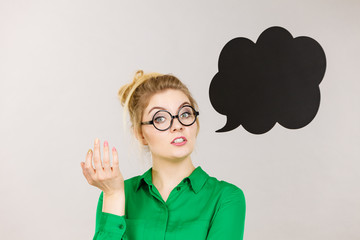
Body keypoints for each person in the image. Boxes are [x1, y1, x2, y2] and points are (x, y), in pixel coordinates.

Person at [80, 70, 246, 240]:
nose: (177, 125)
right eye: (160, 118)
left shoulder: (226, 198)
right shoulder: (117, 194)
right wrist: (113, 195)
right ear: (140, 134)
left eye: (185, 114)